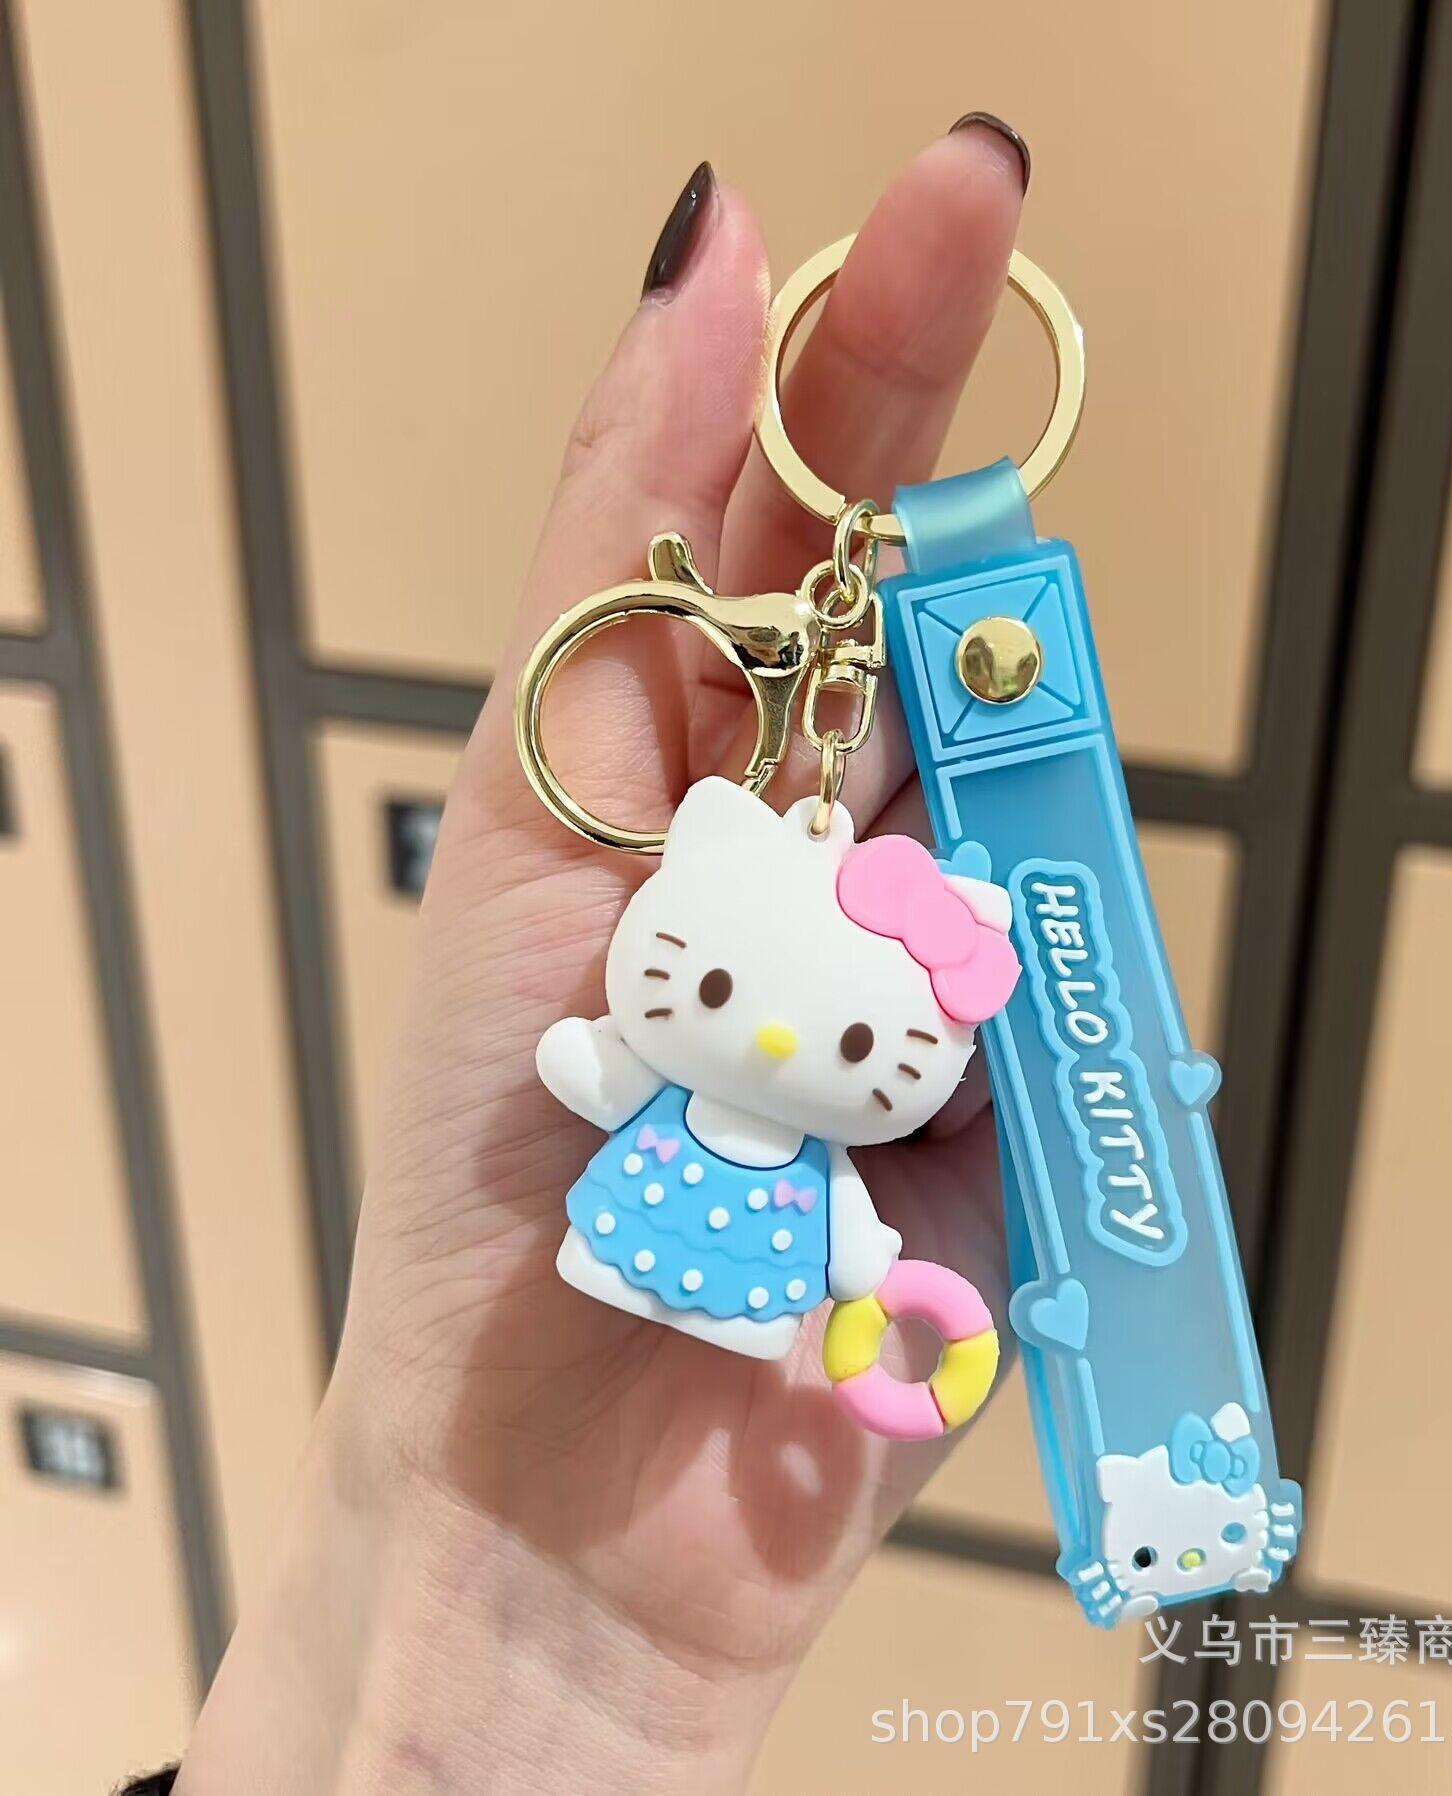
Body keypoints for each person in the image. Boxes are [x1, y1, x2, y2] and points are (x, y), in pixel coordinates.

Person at [145, 116, 1032, 1794]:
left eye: (859, 1054)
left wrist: (855, 1263)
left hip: (741, 1265)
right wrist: (598, 1064)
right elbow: (598, 1065)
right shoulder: (719, 933)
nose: (788, 1049)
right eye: (730, 997)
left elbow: (739, 1145)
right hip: (645, 1236)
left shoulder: (793, 1068)